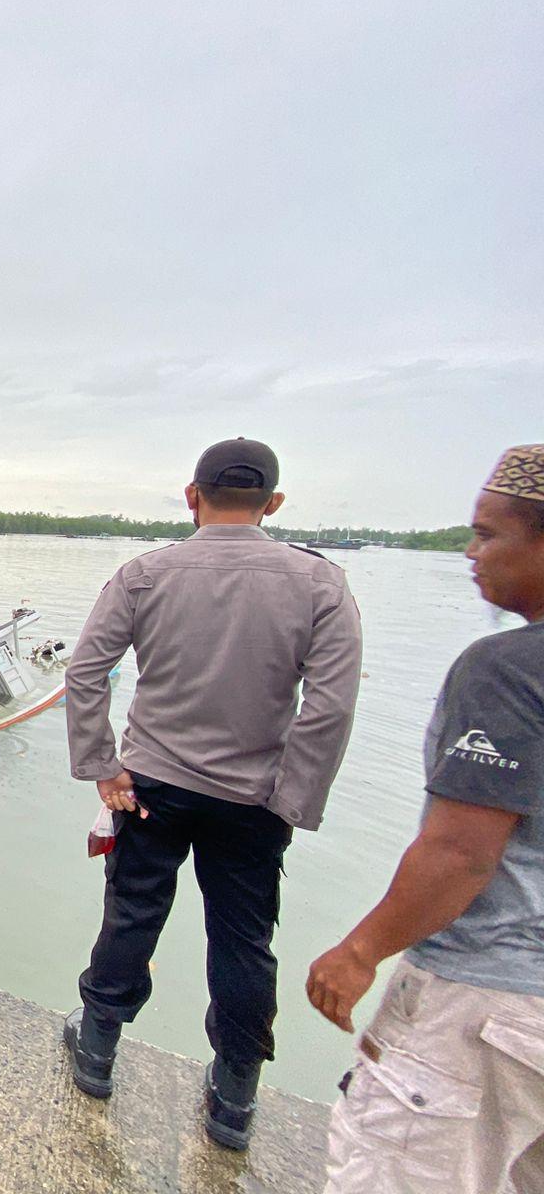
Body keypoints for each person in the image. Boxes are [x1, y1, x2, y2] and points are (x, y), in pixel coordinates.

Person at [61, 437, 363, 1150]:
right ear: (274, 504)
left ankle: (98, 1051)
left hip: (150, 785)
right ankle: (234, 1096)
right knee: (244, 940)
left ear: (190, 496)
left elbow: (84, 674)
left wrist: (103, 767)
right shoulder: (319, 584)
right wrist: (293, 797)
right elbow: (331, 704)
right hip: (254, 797)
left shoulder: (143, 574)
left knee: (132, 913)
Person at [307, 444, 544, 1194]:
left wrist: (360, 950)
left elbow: (462, 855)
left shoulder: (505, 668)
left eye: (488, 533)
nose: (471, 553)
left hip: (486, 999)